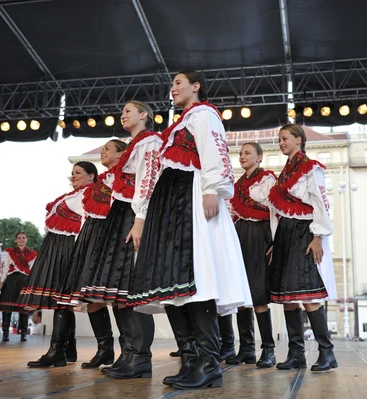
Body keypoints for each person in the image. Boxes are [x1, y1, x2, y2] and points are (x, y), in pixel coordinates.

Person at [127, 70, 252, 390]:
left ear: (196, 87)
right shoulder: (178, 124)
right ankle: (191, 360)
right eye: (171, 85)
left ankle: (209, 363)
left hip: (191, 197)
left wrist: (213, 189)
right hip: (170, 202)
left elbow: (215, 150)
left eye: (179, 83)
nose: (173, 88)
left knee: (197, 276)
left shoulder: (204, 114)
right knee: (171, 281)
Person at [74, 101, 162, 380]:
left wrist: (140, 219)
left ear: (144, 115)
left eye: (128, 111)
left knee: (130, 292)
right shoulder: (135, 146)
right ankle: (128, 354)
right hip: (120, 217)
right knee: (119, 293)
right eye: (122, 111)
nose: (123, 114)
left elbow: (148, 182)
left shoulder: (149, 142)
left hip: (132, 216)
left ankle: (140, 357)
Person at [268, 124, 337, 372]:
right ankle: (296, 353)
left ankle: (327, 353)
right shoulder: (285, 174)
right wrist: (276, 242)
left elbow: (320, 201)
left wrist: (318, 236)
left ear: (298, 140)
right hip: (286, 234)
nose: (281, 143)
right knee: (288, 297)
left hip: (304, 232)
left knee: (308, 295)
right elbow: (278, 212)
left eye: (285, 138)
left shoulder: (310, 168)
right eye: (279, 139)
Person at [56, 139, 127, 369]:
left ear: (121, 154)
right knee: (92, 299)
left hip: (111, 236)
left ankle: (128, 353)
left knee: (117, 297)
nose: (103, 151)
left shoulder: (124, 176)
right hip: (91, 238)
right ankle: (104, 350)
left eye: (108, 149)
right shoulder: (99, 184)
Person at [21, 161, 98, 368]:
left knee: (62, 300)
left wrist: (82, 251)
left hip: (68, 246)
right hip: (56, 247)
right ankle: (67, 349)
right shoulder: (71, 195)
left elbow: (87, 222)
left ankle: (58, 351)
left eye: (78, 173)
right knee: (60, 299)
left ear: (92, 176)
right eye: (72, 173)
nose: (73, 176)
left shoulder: (88, 194)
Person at [226, 142, 277, 368]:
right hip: (240, 234)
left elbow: (276, 212)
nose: (242, 156)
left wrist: (276, 241)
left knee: (257, 295)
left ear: (260, 157)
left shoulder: (267, 180)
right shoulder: (237, 185)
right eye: (240, 153)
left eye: (247, 153)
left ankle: (269, 349)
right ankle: (246, 349)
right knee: (241, 296)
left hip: (259, 235)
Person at [0, 232, 37, 342]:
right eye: (19, 238)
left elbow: (32, 271)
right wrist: (2, 281)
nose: (21, 240)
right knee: (7, 308)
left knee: (24, 309)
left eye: (23, 238)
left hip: (24, 281)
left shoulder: (33, 254)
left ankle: (23, 333)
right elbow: (5, 268)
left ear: (27, 240)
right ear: (15, 240)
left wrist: (32, 284)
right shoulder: (9, 252)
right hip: (11, 280)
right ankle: (5, 333)